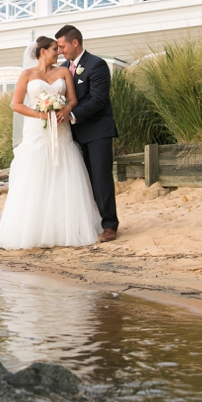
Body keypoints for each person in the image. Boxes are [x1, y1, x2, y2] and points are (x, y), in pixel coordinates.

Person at [0, 36, 103, 249]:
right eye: (54, 49)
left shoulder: (63, 72)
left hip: (61, 129)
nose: (58, 52)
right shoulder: (27, 74)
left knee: (63, 174)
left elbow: (73, 100)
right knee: (35, 176)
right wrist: (39, 113)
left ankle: (64, 229)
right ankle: (34, 229)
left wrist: (65, 109)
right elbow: (15, 105)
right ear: (43, 51)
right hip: (36, 130)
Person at [55, 25, 119, 242]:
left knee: (101, 179)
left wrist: (70, 114)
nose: (60, 51)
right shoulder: (64, 67)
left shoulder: (97, 65)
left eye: (62, 46)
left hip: (98, 131)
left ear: (75, 43)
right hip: (72, 135)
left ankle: (110, 225)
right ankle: (91, 223)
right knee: (83, 181)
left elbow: (98, 100)